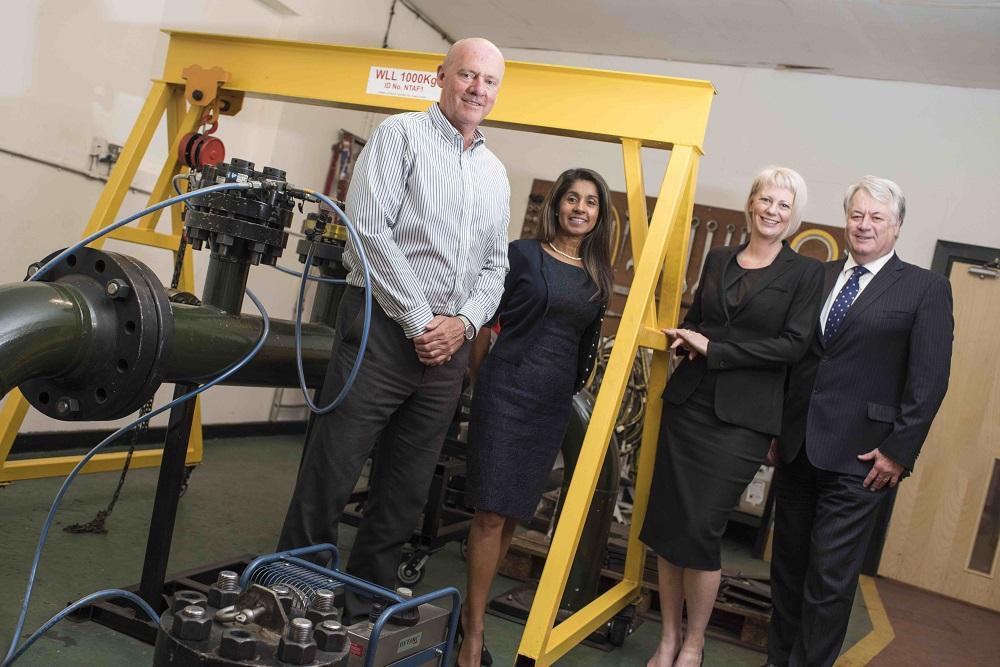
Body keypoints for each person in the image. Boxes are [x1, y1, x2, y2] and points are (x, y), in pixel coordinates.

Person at [277, 38, 510, 620]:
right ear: (443, 76)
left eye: (489, 81)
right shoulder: (398, 136)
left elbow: (494, 267)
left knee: (405, 485)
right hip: (383, 327)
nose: (478, 89)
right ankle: (295, 589)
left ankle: (367, 596)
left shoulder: (494, 172)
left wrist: (462, 323)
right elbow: (371, 233)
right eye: (468, 75)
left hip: (447, 347)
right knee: (333, 468)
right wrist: (420, 319)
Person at [765, 176, 953, 667]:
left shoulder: (926, 288)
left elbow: (929, 380)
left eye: (876, 218)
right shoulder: (817, 277)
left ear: (897, 227)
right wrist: (775, 428)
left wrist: (899, 450)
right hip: (798, 446)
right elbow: (795, 360)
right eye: (856, 215)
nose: (864, 225)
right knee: (787, 570)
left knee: (829, 579)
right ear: (845, 219)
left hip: (863, 458)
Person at [641, 167, 825, 667]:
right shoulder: (719, 259)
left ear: (794, 217)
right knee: (668, 525)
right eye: (766, 200)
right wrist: (687, 335)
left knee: (701, 528)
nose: (772, 211)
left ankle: (695, 643)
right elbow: (702, 319)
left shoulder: (807, 274)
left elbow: (793, 345)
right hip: (689, 405)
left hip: (743, 421)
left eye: (784, 206)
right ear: (751, 203)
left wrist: (716, 348)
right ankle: (667, 639)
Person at [458, 168, 613, 667]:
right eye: (572, 198)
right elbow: (484, 317)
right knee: (489, 512)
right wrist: (483, 380)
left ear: (599, 215)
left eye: (590, 202)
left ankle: (473, 609)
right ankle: (474, 631)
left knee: (513, 512)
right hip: (504, 389)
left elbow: (587, 350)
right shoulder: (521, 254)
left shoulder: (598, 277)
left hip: (550, 405)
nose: (579, 209)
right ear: (557, 205)